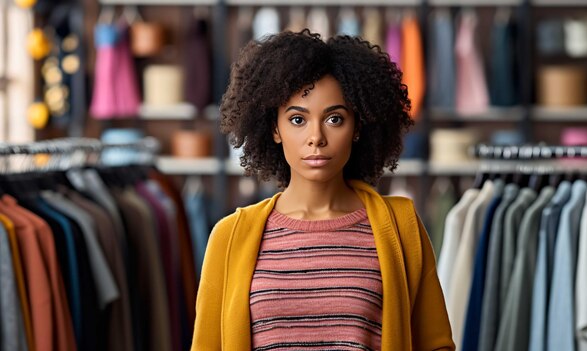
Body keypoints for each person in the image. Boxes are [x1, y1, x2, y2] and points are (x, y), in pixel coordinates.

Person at [191, 29, 454, 351]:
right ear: (275, 129)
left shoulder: (402, 227)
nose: (316, 137)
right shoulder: (229, 237)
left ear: (357, 127)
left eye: (334, 119)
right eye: (298, 120)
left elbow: (436, 344)